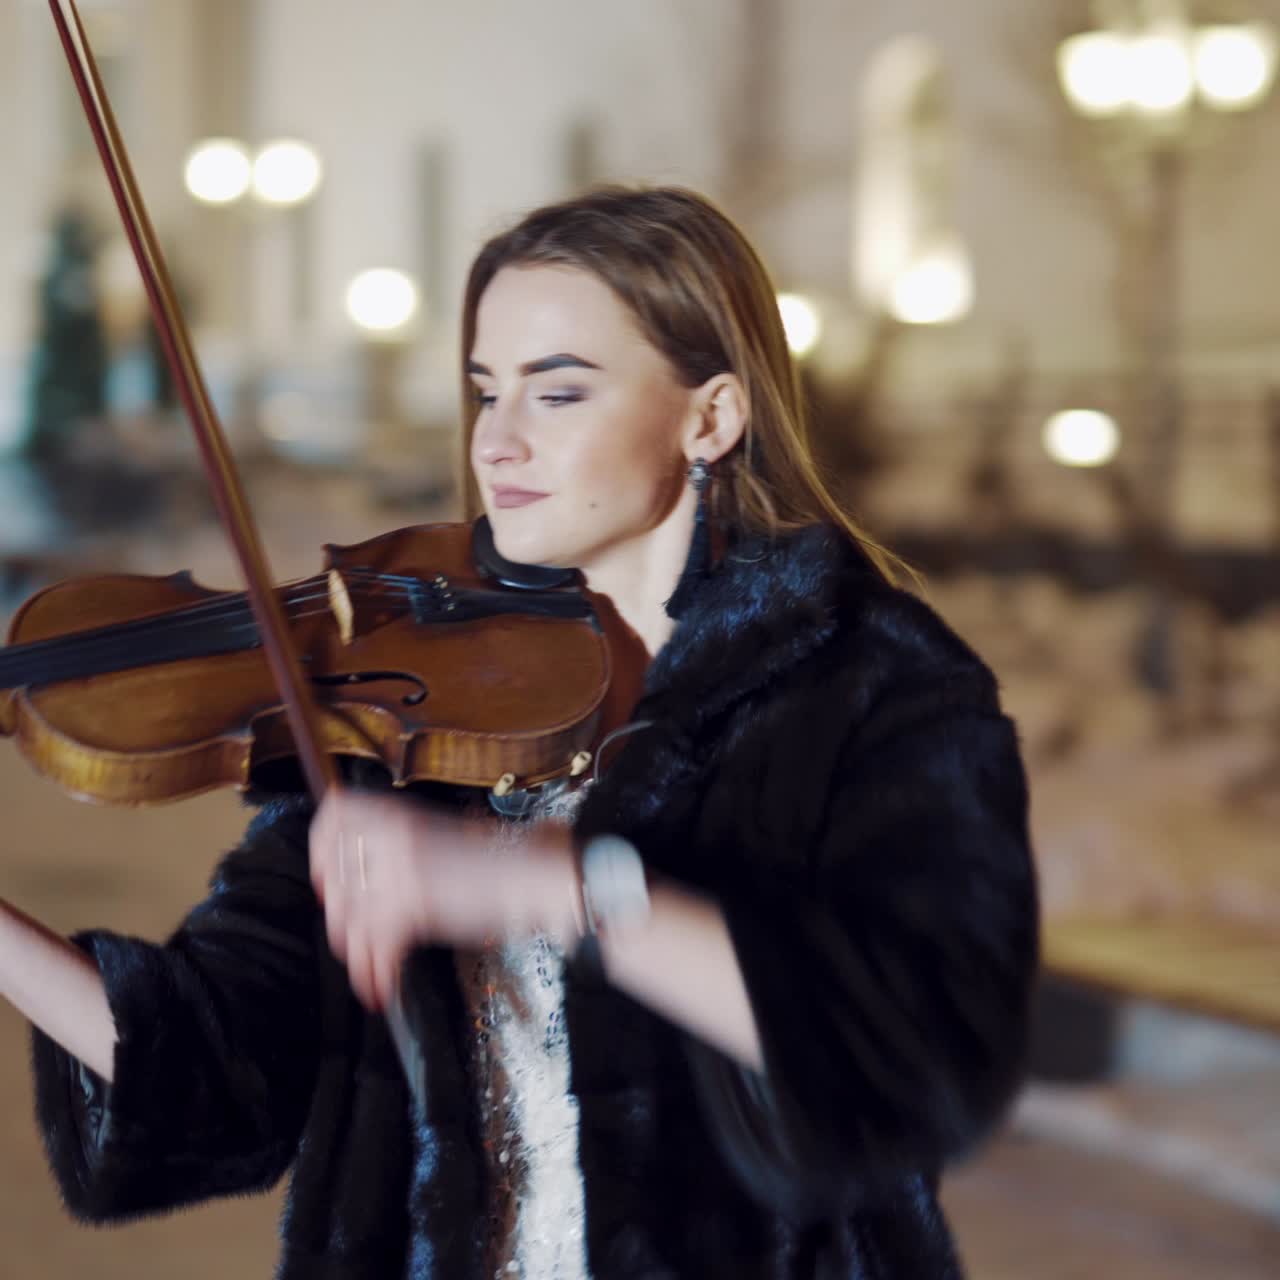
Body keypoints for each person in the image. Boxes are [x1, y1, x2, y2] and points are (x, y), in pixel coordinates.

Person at [3, 185, 1038, 1278]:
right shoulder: (403, 694)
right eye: (485, 391)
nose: (496, 441)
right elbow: (214, 1066)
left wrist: (557, 884)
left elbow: (928, 1059)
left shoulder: (868, 679)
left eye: (558, 393)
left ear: (710, 416)